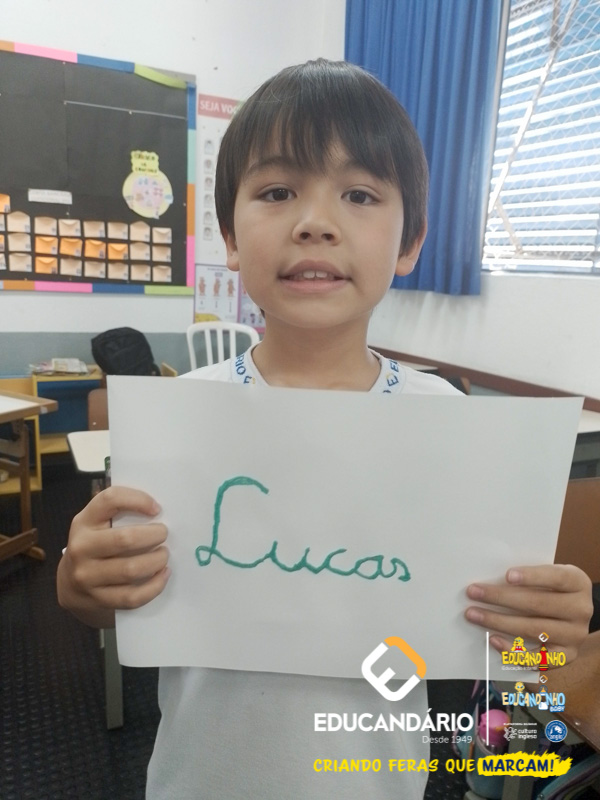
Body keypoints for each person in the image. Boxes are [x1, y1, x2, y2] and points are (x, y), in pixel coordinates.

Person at [57, 59, 593, 799]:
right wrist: (79, 578)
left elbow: (511, 644)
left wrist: (547, 627)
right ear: (230, 237)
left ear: (409, 243)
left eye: (360, 194)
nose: (315, 221)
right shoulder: (182, 416)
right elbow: (103, 603)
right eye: (277, 192)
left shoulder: (449, 424)